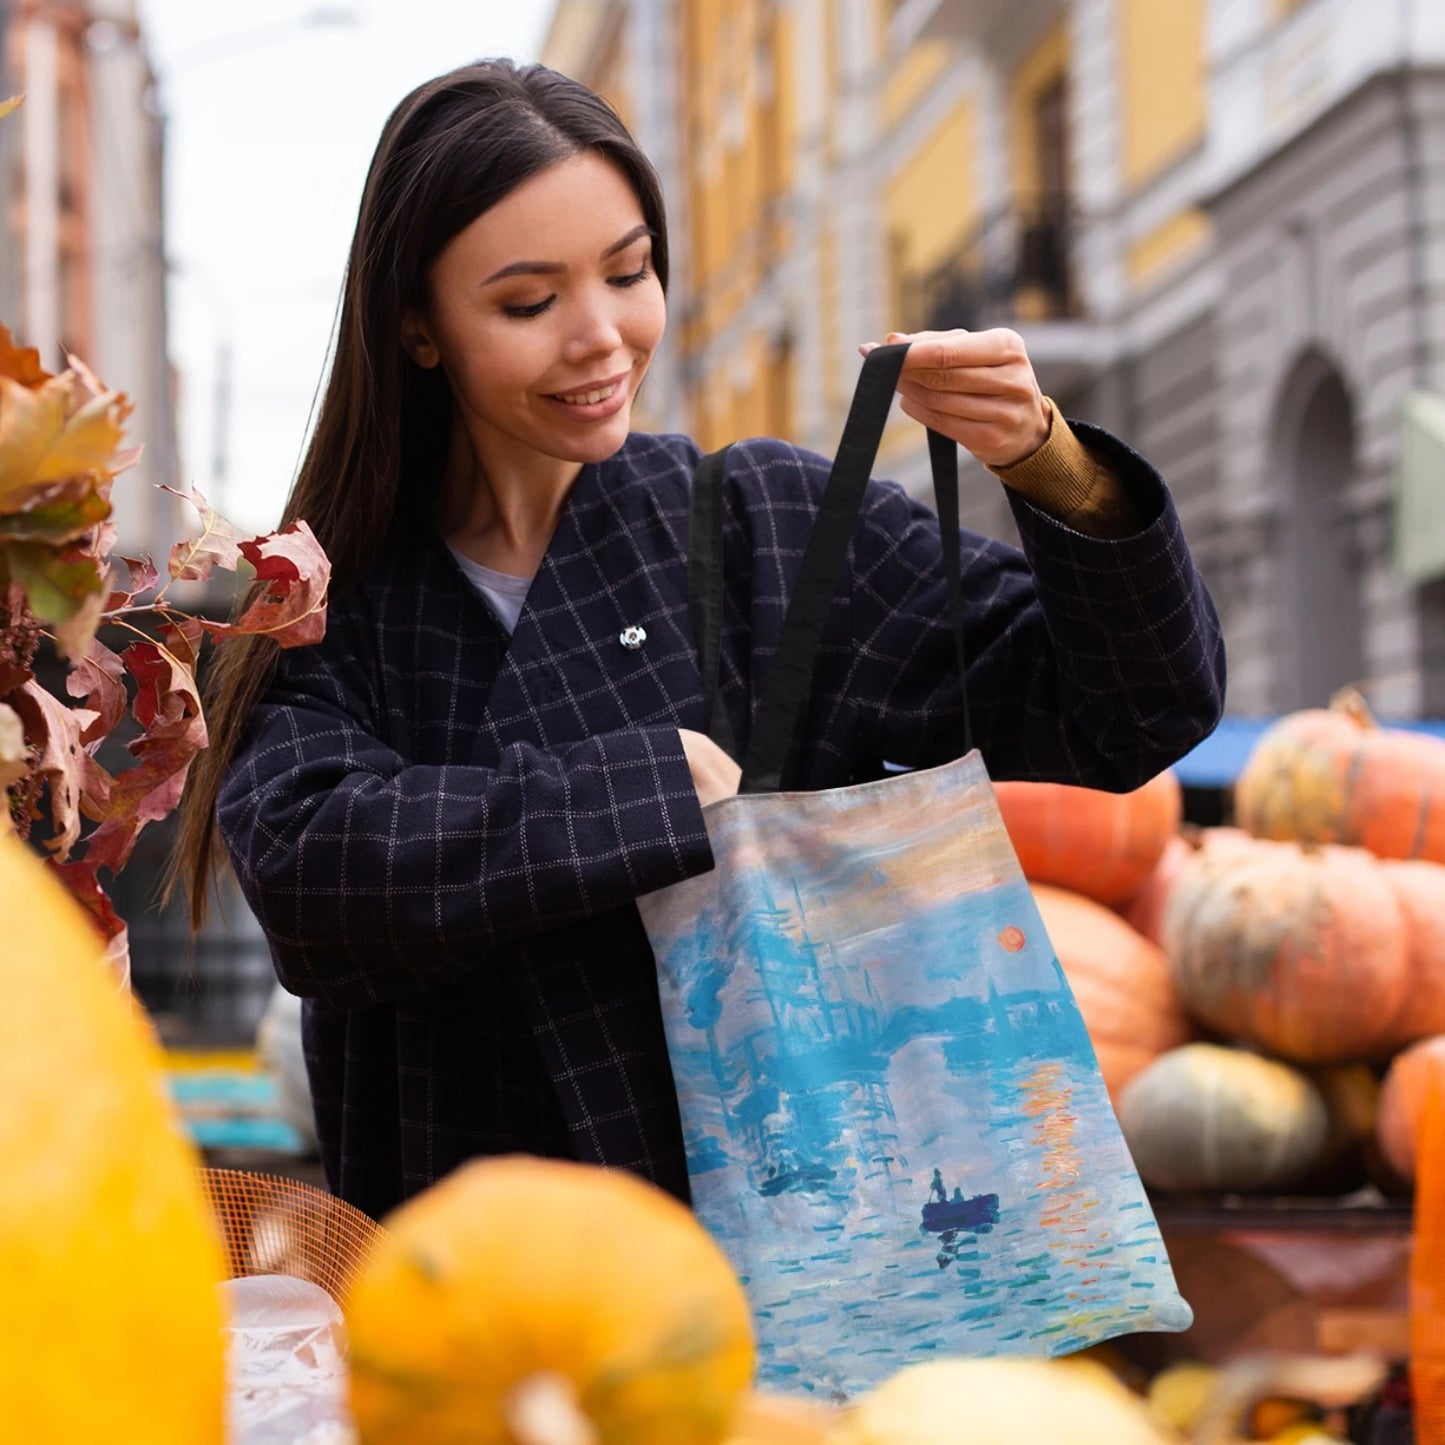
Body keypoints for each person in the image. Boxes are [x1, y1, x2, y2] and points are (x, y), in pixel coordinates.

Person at [176, 59, 1225, 1223]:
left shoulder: (762, 527)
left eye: (628, 273)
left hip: (806, 1262)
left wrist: (1048, 461)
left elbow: (1132, 711)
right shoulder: (330, 593)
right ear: (418, 326)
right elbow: (310, 871)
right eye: (528, 302)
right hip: (472, 1268)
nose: (602, 337)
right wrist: (645, 790)